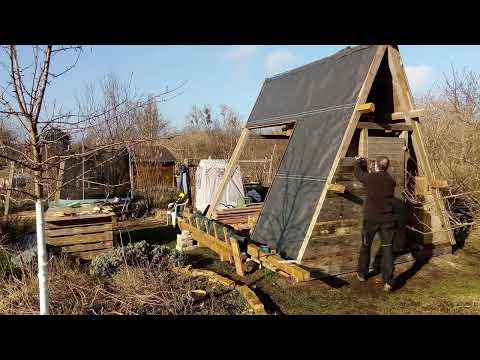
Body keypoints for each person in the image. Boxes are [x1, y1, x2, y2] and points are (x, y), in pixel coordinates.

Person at [354, 155, 397, 292]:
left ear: (377, 166)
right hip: (387, 221)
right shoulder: (391, 181)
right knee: (387, 249)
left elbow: (359, 174)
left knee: (366, 245)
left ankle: (362, 274)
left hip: (371, 220)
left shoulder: (371, 178)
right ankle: (388, 282)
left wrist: (358, 162)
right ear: (387, 167)